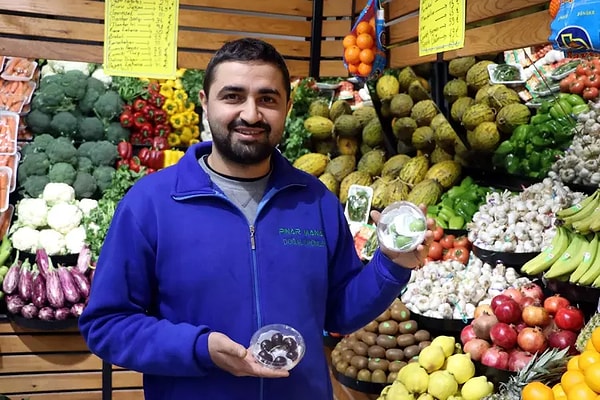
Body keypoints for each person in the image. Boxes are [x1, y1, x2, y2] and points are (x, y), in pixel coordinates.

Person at [79, 38, 433, 400]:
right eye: (232, 96)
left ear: (288, 107)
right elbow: (107, 325)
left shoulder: (314, 201)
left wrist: (390, 265)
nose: (251, 114)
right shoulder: (151, 203)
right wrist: (198, 348)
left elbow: (339, 313)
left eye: (267, 99)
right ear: (205, 103)